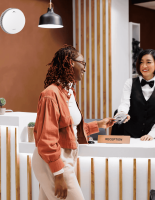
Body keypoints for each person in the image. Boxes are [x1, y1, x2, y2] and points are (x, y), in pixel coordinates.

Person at [32, 45, 115, 200]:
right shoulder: (51, 94)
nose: (84, 68)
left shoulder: (69, 92)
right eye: (82, 63)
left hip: (63, 159)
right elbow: (47, 139)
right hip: (53, 161)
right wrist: (58, 174)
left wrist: (100, 124)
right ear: (70, 63)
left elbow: (70, 129)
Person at [115, 49, 155, 141]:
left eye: (148, 62)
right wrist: (122, 113)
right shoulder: (129, 83)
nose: (144, 66)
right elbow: (125, 103)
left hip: (152, 138)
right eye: (141, 62)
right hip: (130, 137)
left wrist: (152, 134)